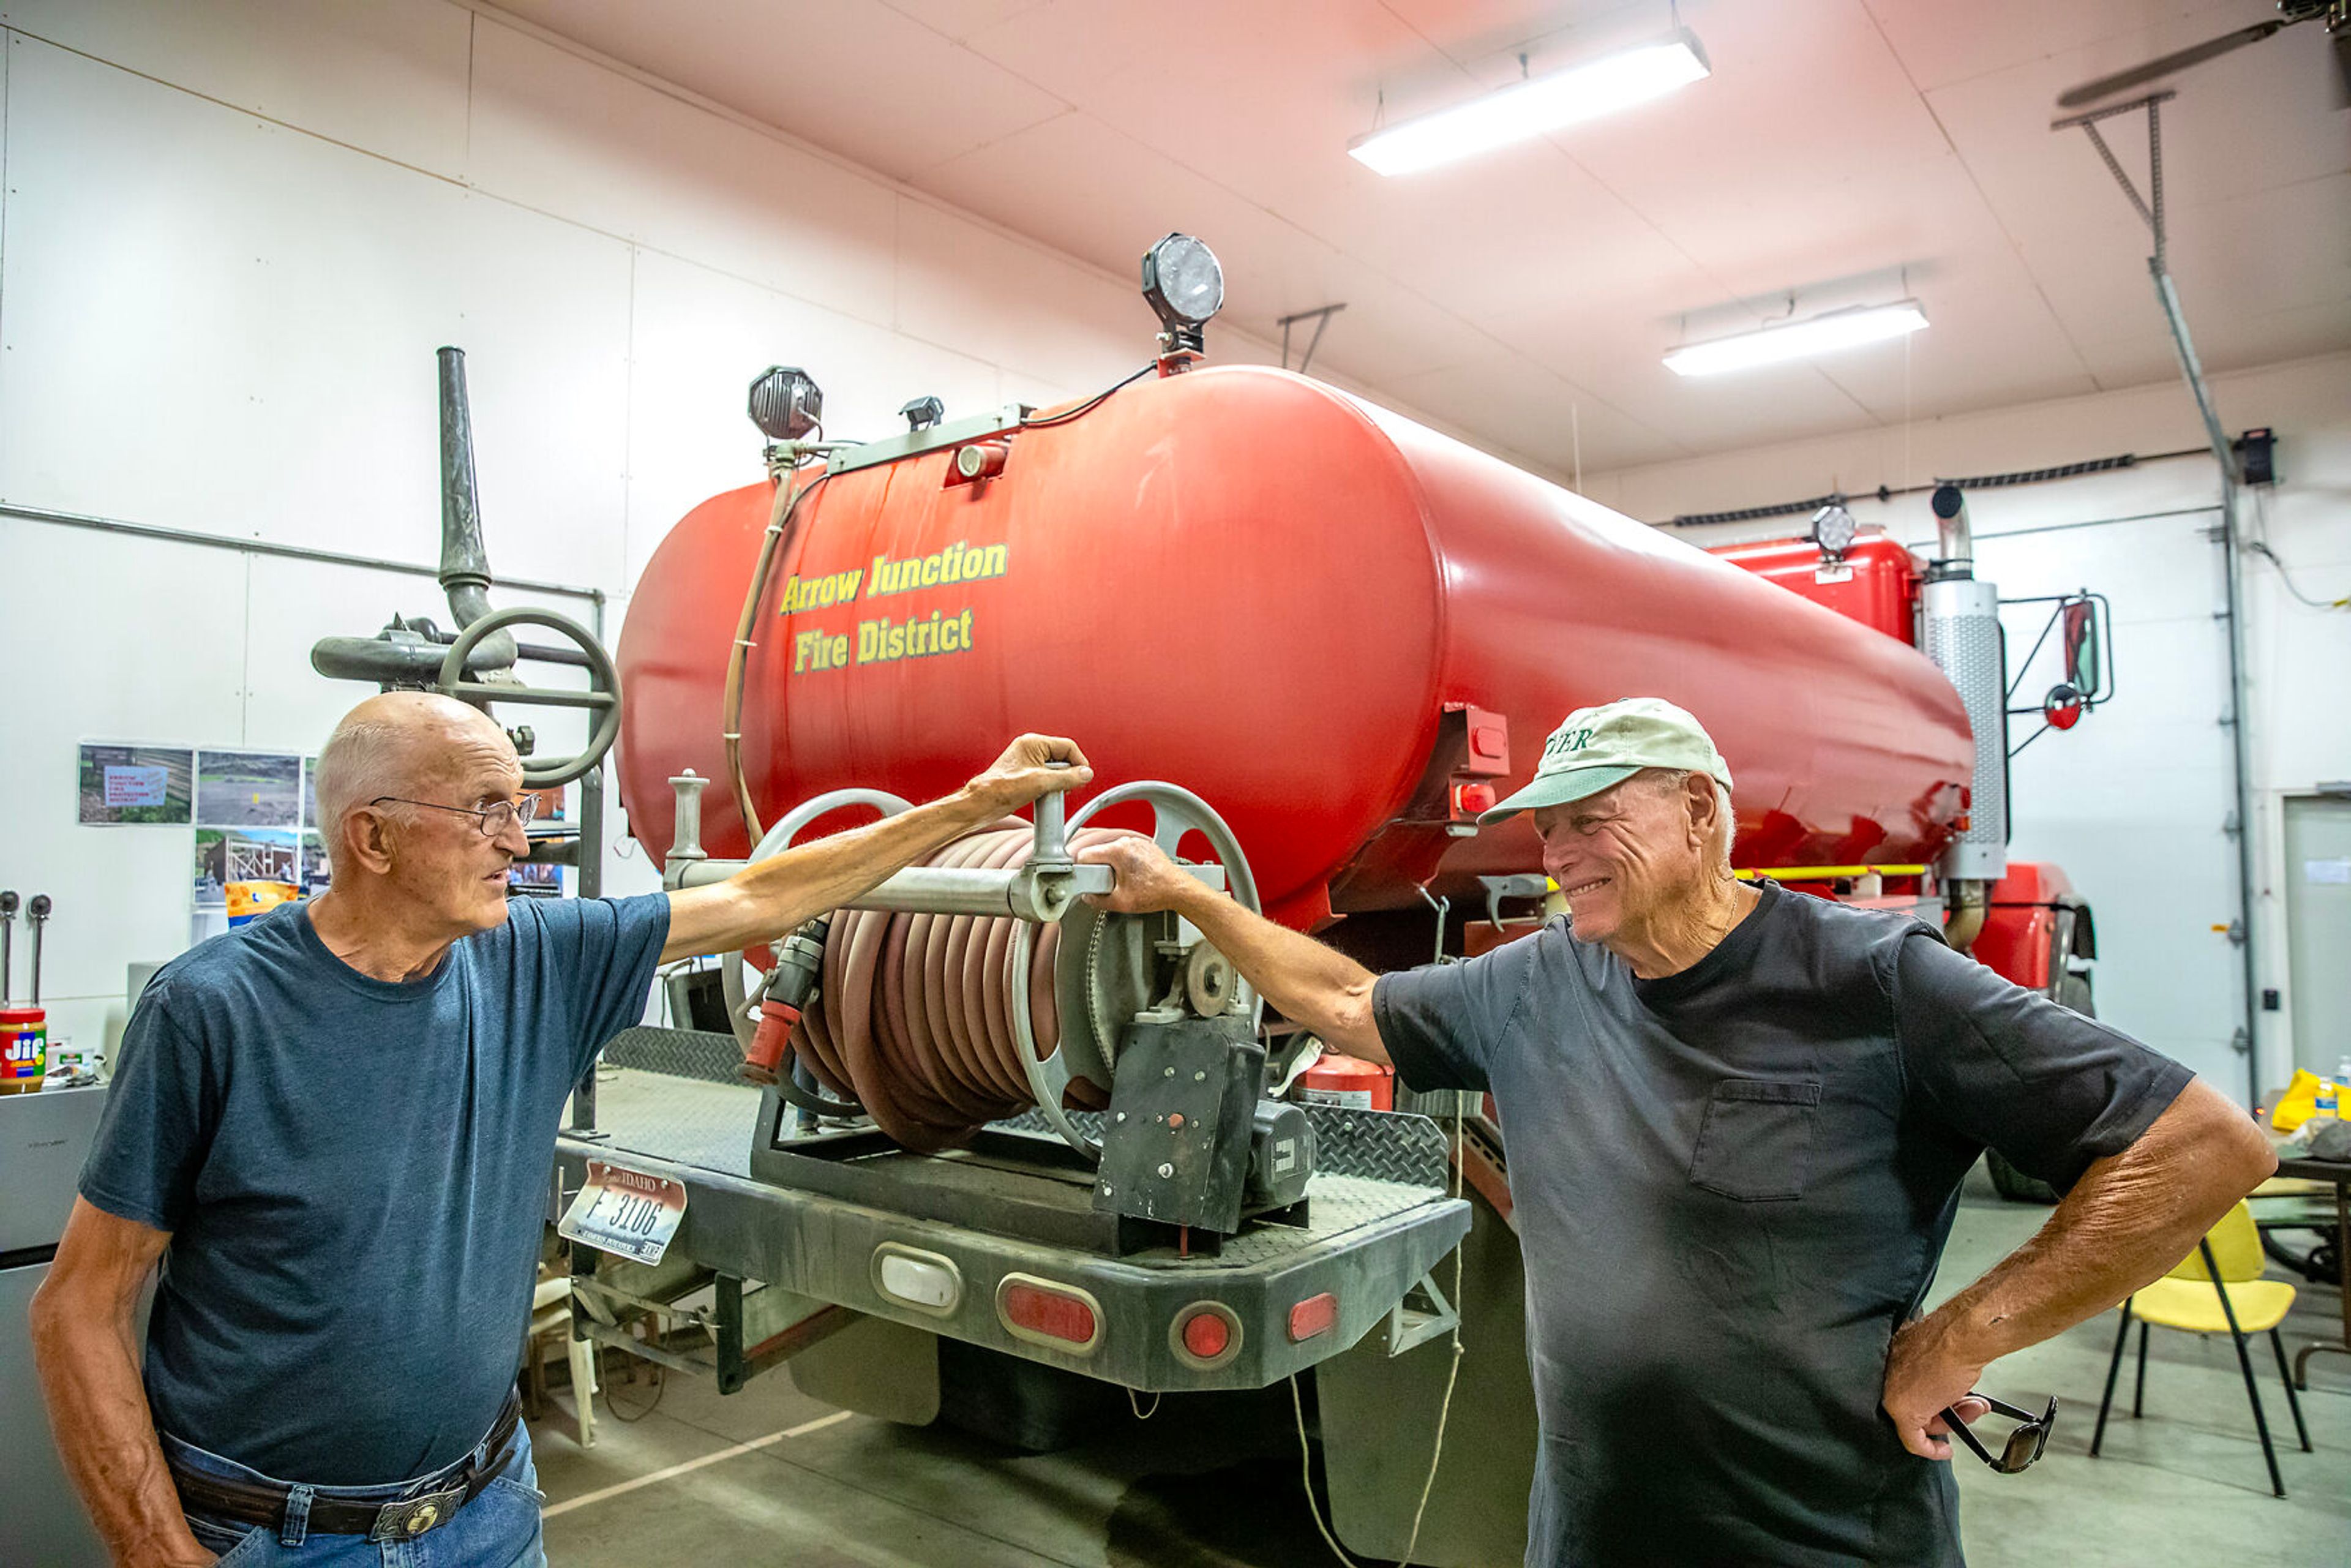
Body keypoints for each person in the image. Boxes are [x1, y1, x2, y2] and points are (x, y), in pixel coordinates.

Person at [1077, 696, 2276, 1567]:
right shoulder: (1536, 981)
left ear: (1701, 813)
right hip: (1592, 1532)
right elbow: (1343, 1003)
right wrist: (1191, 896)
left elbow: (2207, 1144)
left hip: (1819, 1536)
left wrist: (1972, 1331)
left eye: (1593, 822)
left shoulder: (1874, 980)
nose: (1557, 857)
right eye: (1547, 833)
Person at [31, 690, 1090, 1567]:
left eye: (522, 805)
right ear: (375, 835)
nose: (520, 838)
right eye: (487, 809)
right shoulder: (212, 1010)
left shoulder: (536, 955)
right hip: (278, 1535)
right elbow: (79, 1306)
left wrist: (968, 809)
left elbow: (766, 895)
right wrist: (159, 1554)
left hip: (487, 1512)